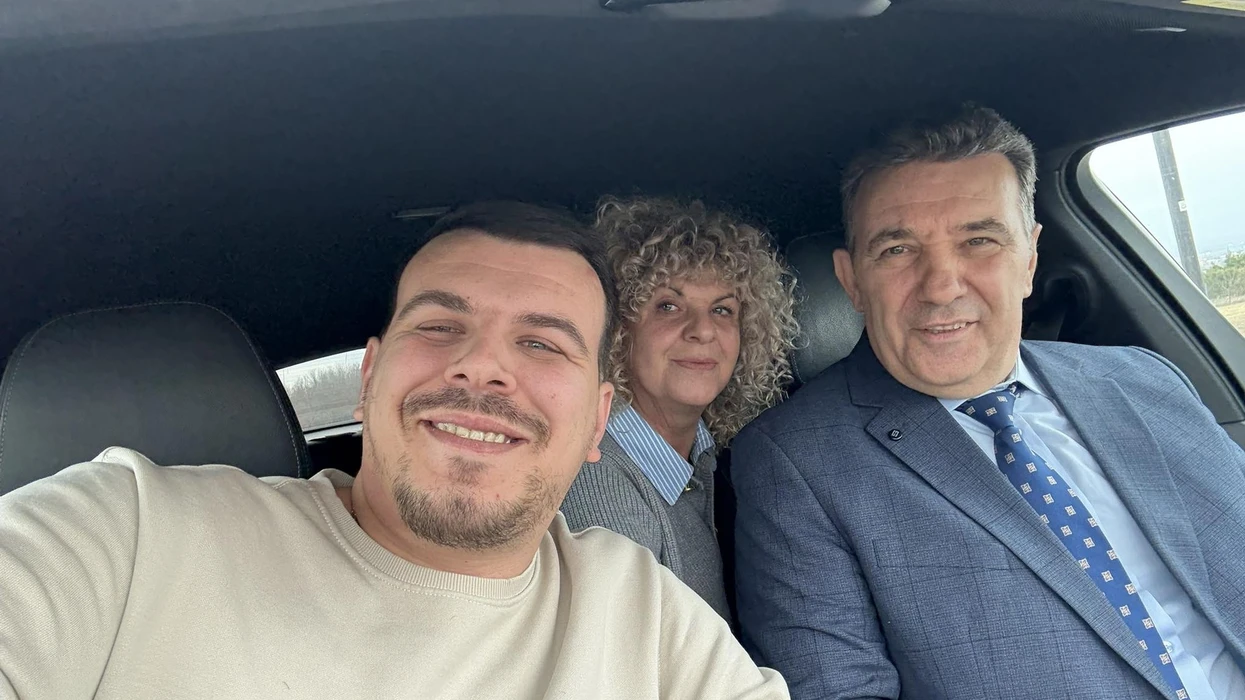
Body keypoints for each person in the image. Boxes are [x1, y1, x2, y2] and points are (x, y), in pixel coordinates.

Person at [0, 202, 789, 699]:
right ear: (369, 378)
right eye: (440, 326)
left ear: (595, 419)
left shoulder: (647, 617)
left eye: (542, 344)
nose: (481, 365)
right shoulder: (126, 532)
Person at [732, 105, 1245, 700]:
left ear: (1029, 259)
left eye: (979, 240)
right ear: (851, 282)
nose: (941, 285)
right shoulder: (796, 462)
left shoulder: (1145, 378)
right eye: (897, 250)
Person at [560, 197, 799, 621]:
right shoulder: (595, 480)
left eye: (722, 310)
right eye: (668, 306)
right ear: (617, 328)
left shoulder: (704, 458)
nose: (703, 330)